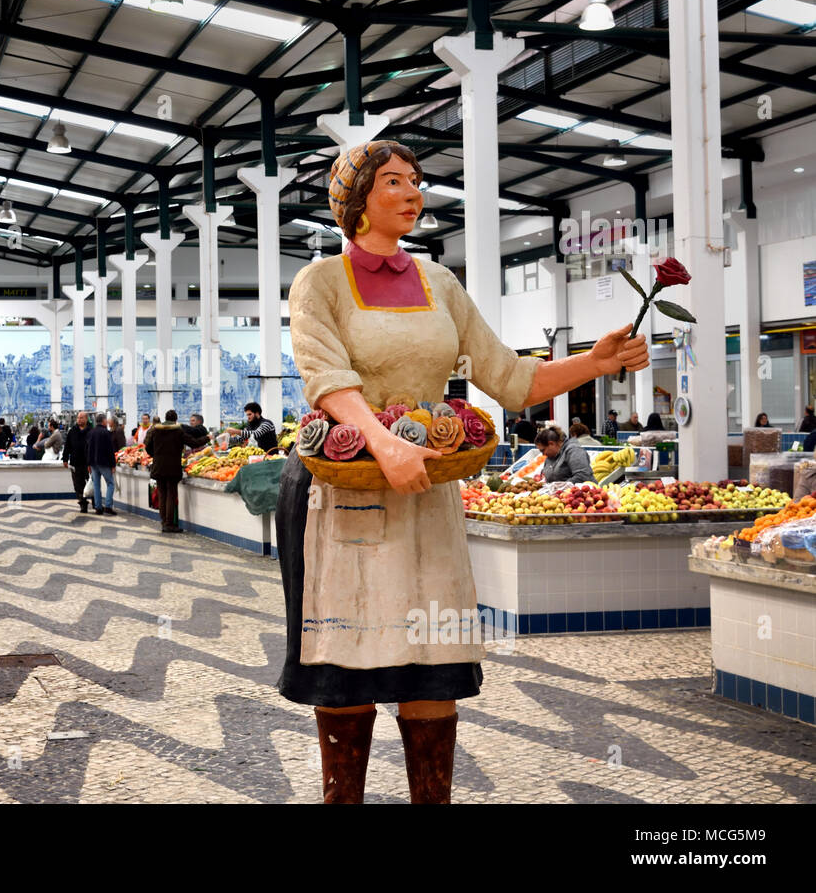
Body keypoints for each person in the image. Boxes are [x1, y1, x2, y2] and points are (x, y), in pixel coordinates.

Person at [277, 138, 649, 804]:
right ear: (356, 200)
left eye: (416, 180)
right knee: (346, 662)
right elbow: (326, 376)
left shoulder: (439, 284)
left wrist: (596, 363)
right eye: (393, 181)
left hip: (429, 494)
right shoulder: (320, 282)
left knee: (434, 662)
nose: (414, 192)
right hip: (349, 489)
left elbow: (508, 377)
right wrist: (381, 442)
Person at [145, 410, 186, 532]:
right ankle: (169, 524)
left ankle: (163, 522)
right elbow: (192, 442)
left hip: (158, 467)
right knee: (171, 495)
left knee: (162, 494)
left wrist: (155, 455)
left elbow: (147, 446)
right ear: (176, 419)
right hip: (172, 468)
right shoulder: (178, 431)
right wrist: (207, 438)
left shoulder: (156, 430)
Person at [86, 412, 117, 515]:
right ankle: (108, 506)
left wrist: (88, 464)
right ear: (103, 421)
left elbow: (88, 449)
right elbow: (110, 450)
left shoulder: (91, 432)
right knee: (111, 483)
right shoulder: (106, 433)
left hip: (93, 463)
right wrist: (113, 465)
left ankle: (98, 508)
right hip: (104, 463)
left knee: (96, 485)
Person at [62, 411, 93, 513]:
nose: (79, 420)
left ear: (86, 419)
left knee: (92, 483)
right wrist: (65, 459)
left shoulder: (91, 431)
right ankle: (83, 504)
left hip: (88, 463)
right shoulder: (72, 431)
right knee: (78, 485)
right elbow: (67, 446)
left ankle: (95, 502)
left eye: (81, 418)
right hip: (75, 462)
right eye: (78, 418)